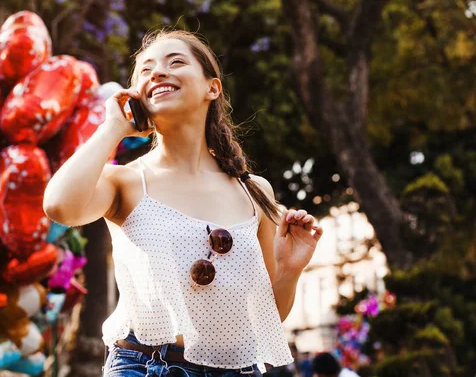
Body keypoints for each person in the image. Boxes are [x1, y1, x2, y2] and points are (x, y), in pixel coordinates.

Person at [43, 28, 324, 377]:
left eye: (175, 62)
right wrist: (112, 129)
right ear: (135, 96)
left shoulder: (255, 192)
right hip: (144, 366)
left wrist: (290, 271)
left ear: (212, 87)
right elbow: (59, 206)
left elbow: (265, 315)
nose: (158, 72)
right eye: (146, 70)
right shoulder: (126, 182)